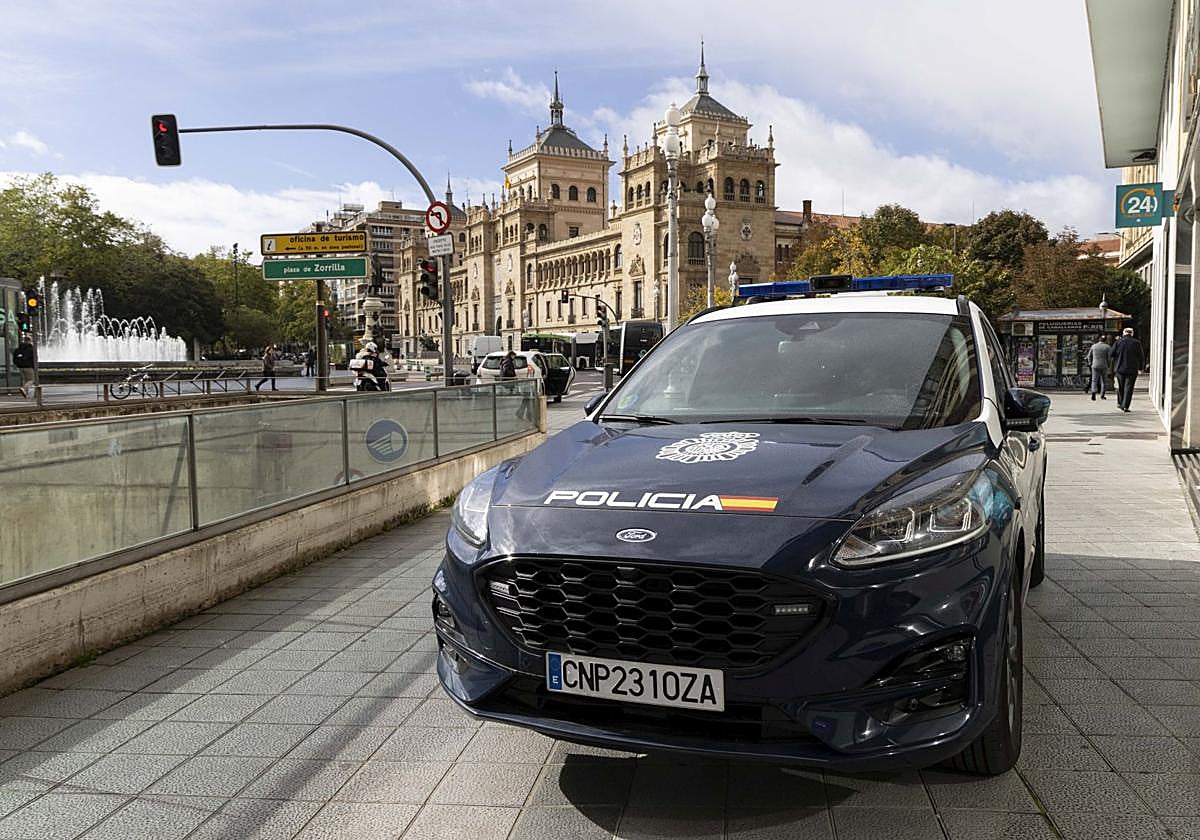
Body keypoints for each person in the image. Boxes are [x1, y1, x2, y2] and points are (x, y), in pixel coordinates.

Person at [1111, 327, 1146, 413]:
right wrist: (1141, 368)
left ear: (1124, 333)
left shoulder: (1118, 342)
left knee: (1121, 386)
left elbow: (1111, 354)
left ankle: (1120, 402)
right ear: (1132, 333)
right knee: (1129, 387)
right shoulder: (1136, 343)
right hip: (1132, 368)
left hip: (1119, 368)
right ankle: (1125, 406)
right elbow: (1141, 357)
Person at [1087, 334, 1112, 401]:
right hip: (1104, 365)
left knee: (1094, 380)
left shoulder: (1094, 346)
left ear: (1099, 339)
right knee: (1103, 381)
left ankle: (1093, 393)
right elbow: (1109, 358)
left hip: (1095, 365)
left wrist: (1090, 363)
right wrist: (1109, 365)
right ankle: (1102, 395)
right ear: (1105, 340)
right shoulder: (1107, 347)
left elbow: (1089, 356)